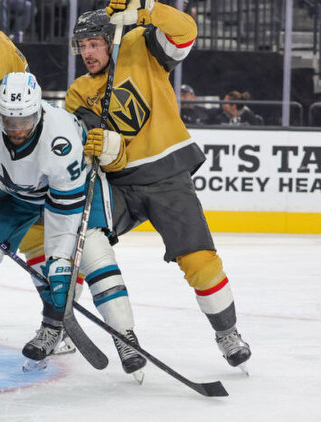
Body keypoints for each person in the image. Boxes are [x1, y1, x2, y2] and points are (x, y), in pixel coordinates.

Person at [0, 73, 144, 374]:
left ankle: (122, 336)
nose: (18, 129)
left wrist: (61, 261)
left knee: (94, 255)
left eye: (25, 121)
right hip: (17, 192)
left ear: (38, 111)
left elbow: (63, 215)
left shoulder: (60, 139)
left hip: (73, 192)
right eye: (10, 122)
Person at [65, 3, 251, 369]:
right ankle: (122, 337)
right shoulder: (78, 92)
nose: (86, 53)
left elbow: (186, 32)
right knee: (86, 241)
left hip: (166, 174)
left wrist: (147, 9)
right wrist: (107, 153)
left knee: (198, 259)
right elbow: (91, 150)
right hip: (117, 183)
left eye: (93, 45)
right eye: (81, 46)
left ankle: (227, 333)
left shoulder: (140, 45)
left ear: (110, 39)